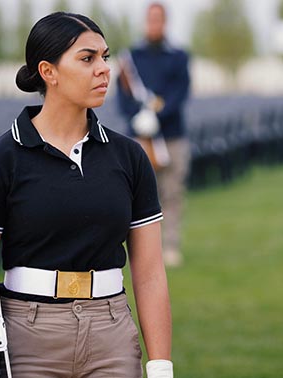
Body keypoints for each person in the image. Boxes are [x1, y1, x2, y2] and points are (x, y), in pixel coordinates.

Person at [0, 12, 175, 378]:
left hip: (110, 331)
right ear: (48, 72)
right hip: (27, 336)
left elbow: (149, 273)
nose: (104, 69)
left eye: (105, 57)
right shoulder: (2, 161)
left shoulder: (129, 158)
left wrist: (161, 372)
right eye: (87, 58)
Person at [117, 2, 191, 267]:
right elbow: (123, 94)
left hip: (171, 136)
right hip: (139, 140)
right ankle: (142, 252)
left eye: (159, 19)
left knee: (172, 192)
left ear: (165, 22)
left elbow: (180, 93)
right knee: (142, 197)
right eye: (150, 19)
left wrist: (157, 115)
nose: (154, 24)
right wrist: (139, 117)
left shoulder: (179, 56)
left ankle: (170, 246)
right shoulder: (131, 57)